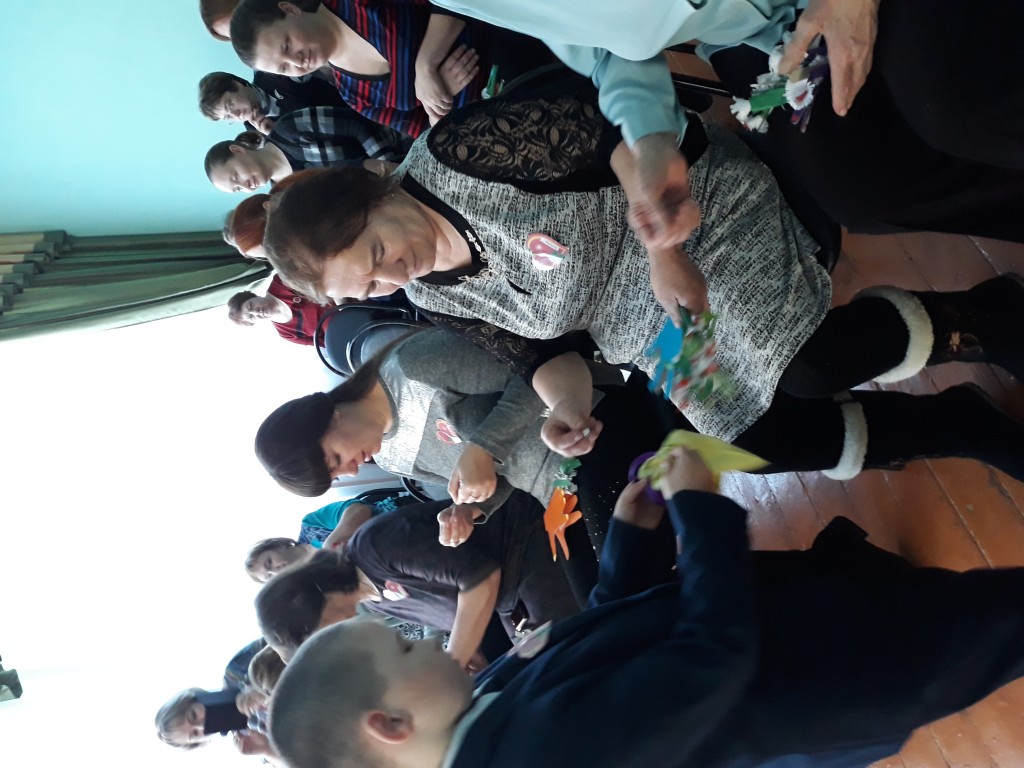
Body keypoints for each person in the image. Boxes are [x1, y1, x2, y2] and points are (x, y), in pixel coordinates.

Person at [261, 88, 1024, 509]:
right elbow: (544, 355)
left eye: (375, 256)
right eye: (373, 287)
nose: (393, 277)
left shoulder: (460, 156)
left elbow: (628, 136)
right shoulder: (434, 297)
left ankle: (983, 320)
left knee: (807, 365)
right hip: (649, 324)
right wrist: (565, 409)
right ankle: (953, 425)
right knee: (745, 436)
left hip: (686, 215)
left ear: (369, 197)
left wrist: (665, 252)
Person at [268, 447, 1024, 768]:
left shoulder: (478, 701)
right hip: (834, 678)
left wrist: (629, 541)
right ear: (391, 725)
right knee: (998, 622)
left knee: (962, 603)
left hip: (800, 624)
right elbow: (709, 661)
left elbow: (598, 634)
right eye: (407, 650)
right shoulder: (535, 756)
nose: (432, 645)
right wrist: (699, 511)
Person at [418, 0, 1024, 246]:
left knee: (958, 99)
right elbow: (605, 50)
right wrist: (651, 139)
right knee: (863, 191)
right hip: (767, 36)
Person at [255, 491, 579, 667]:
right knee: (535, 673)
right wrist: (468, 651)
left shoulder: (372, 548)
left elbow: (482, 577)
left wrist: (457, 655)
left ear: (310, 603)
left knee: (568, 659)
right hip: (513, 597)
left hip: (527, 538)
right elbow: (455, 609)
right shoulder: (375, 602)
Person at [229, 0, 555, 136]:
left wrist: (426, 66)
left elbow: (449, 2)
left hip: (514, 38)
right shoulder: (352, 94)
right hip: (496, 118)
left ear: (289, 9)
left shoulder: (352, 3)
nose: (297, 62)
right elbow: (427, 133)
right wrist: (437, 101)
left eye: (287, 45)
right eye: (284, 68)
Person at [204, 107, 411, 194]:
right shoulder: (286, 193)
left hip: (404, 142)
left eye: (236, 176)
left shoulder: (288, 129)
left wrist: (392, 168)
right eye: (238, 189)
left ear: (238, 150)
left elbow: (354, 124)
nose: (246, 186)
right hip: (398, 194)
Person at [198, 70, 352, 134]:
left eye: (230, 105)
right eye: (228, 117)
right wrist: (275, 135)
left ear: (237, 84)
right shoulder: (254, 132)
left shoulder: (270, 74)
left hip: (351, 102)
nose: (236, 115)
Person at [227, 277, 331, 346]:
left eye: (250, 306)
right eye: (251, 317)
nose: (256, 312)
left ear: (254, 296)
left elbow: (322, 280)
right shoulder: (286, 333)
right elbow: (329, 344)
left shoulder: (279, 283)